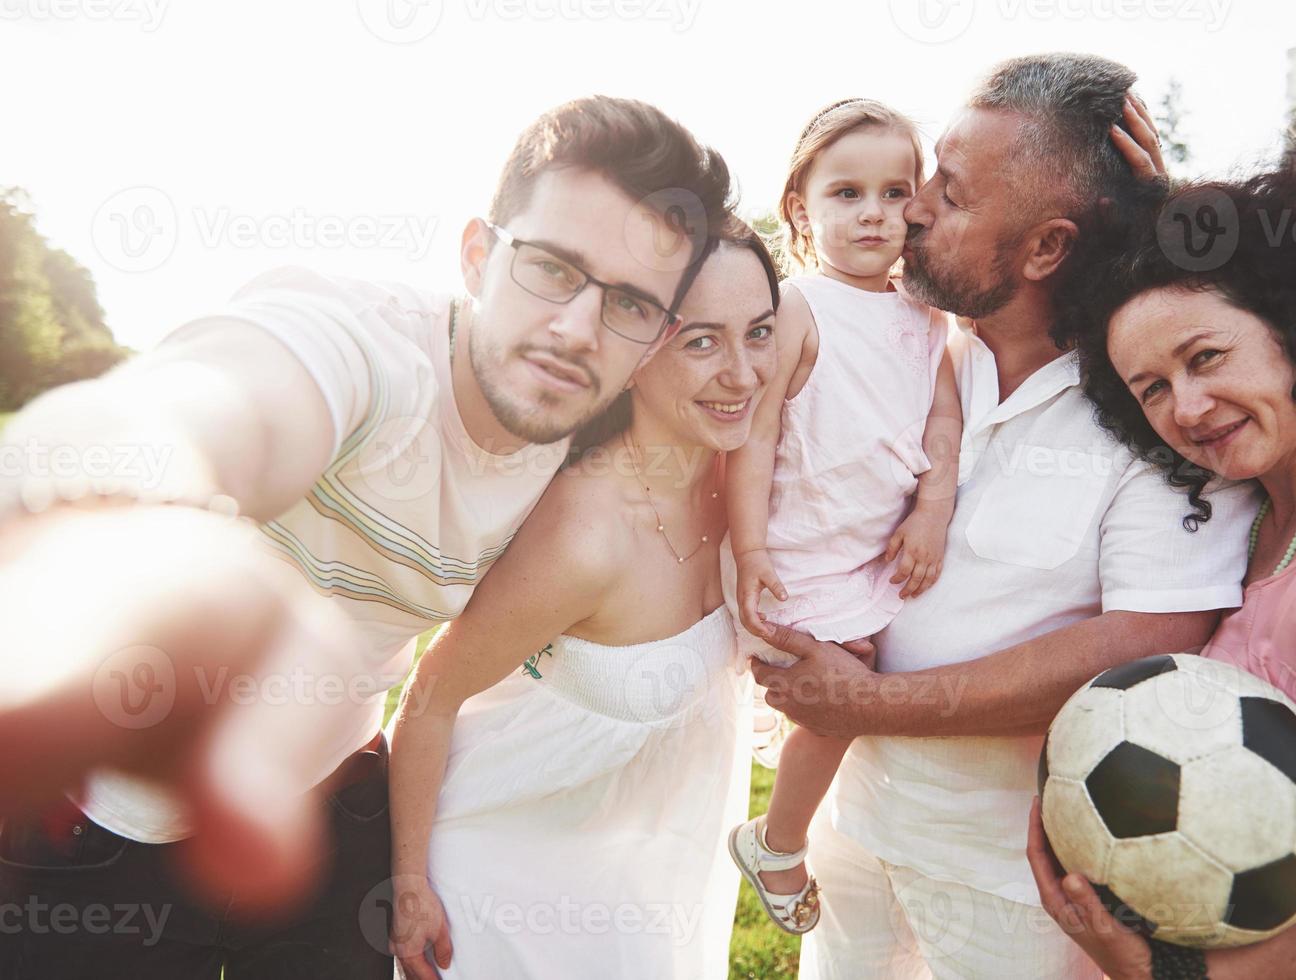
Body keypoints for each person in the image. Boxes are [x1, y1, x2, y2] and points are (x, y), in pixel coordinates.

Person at [0, 95, 734, 979]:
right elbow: (227, 401)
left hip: (338, 809)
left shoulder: (596, 426)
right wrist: (125, 498)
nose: (576, 327)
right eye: (550, 268)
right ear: (477, 254)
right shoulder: (372, 353)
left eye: (628, 304)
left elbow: (792, 333)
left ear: (656, 337)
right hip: (104, 826)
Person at [745, 54, 1260, 979]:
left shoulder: (1160, 405)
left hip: (1007, 884)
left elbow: (1150, 633)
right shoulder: (907, 337)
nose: (911, 208)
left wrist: (870, 704)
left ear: (1045, 250)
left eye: (949, 190)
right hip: (849, 825)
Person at [1026, 124, 1296, 980]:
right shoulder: (1263, 509)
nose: (1186, 408)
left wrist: (1173, 974)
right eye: (1150, 388)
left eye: (1206, 357)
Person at [385, 218, 778, 980]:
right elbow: (429, 697)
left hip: (638, 899)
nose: (743, 373)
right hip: (496, 903)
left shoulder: (748, 487)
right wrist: (407, 887)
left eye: (758, 332)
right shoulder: (584, 534)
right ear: (630, 356)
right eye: (701, 342)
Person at [723, 97, 962, 936]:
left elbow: (943, 422)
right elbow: (753, 435)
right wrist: (748, 547)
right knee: (842, 693)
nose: (875, 213)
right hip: (791, 549)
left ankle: (816, 829)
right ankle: (775, 842)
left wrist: (932, 511)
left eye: (896, 192)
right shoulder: (797, 307)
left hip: (864, 550)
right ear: (800, 208)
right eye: (846, 193)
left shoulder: (927, 316)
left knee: (862, 677)